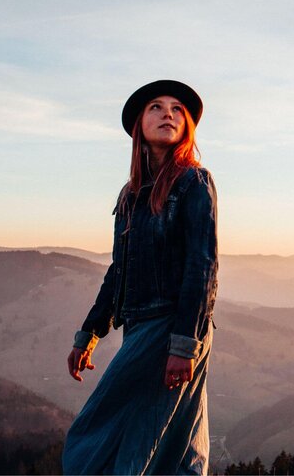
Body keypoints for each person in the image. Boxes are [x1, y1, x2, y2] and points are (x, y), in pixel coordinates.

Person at [62, 80, 218, 475]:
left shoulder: (193, 183)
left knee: (95, 434)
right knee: (177, 439)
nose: (168, 113)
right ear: (138, 127)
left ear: (187, 127)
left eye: (177, 109)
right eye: (156, 106)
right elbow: (120, 270)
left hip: (172, 325)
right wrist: (89, 335)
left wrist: (184, 345)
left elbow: (202, 266)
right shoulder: (130, 194)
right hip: (142, 327)